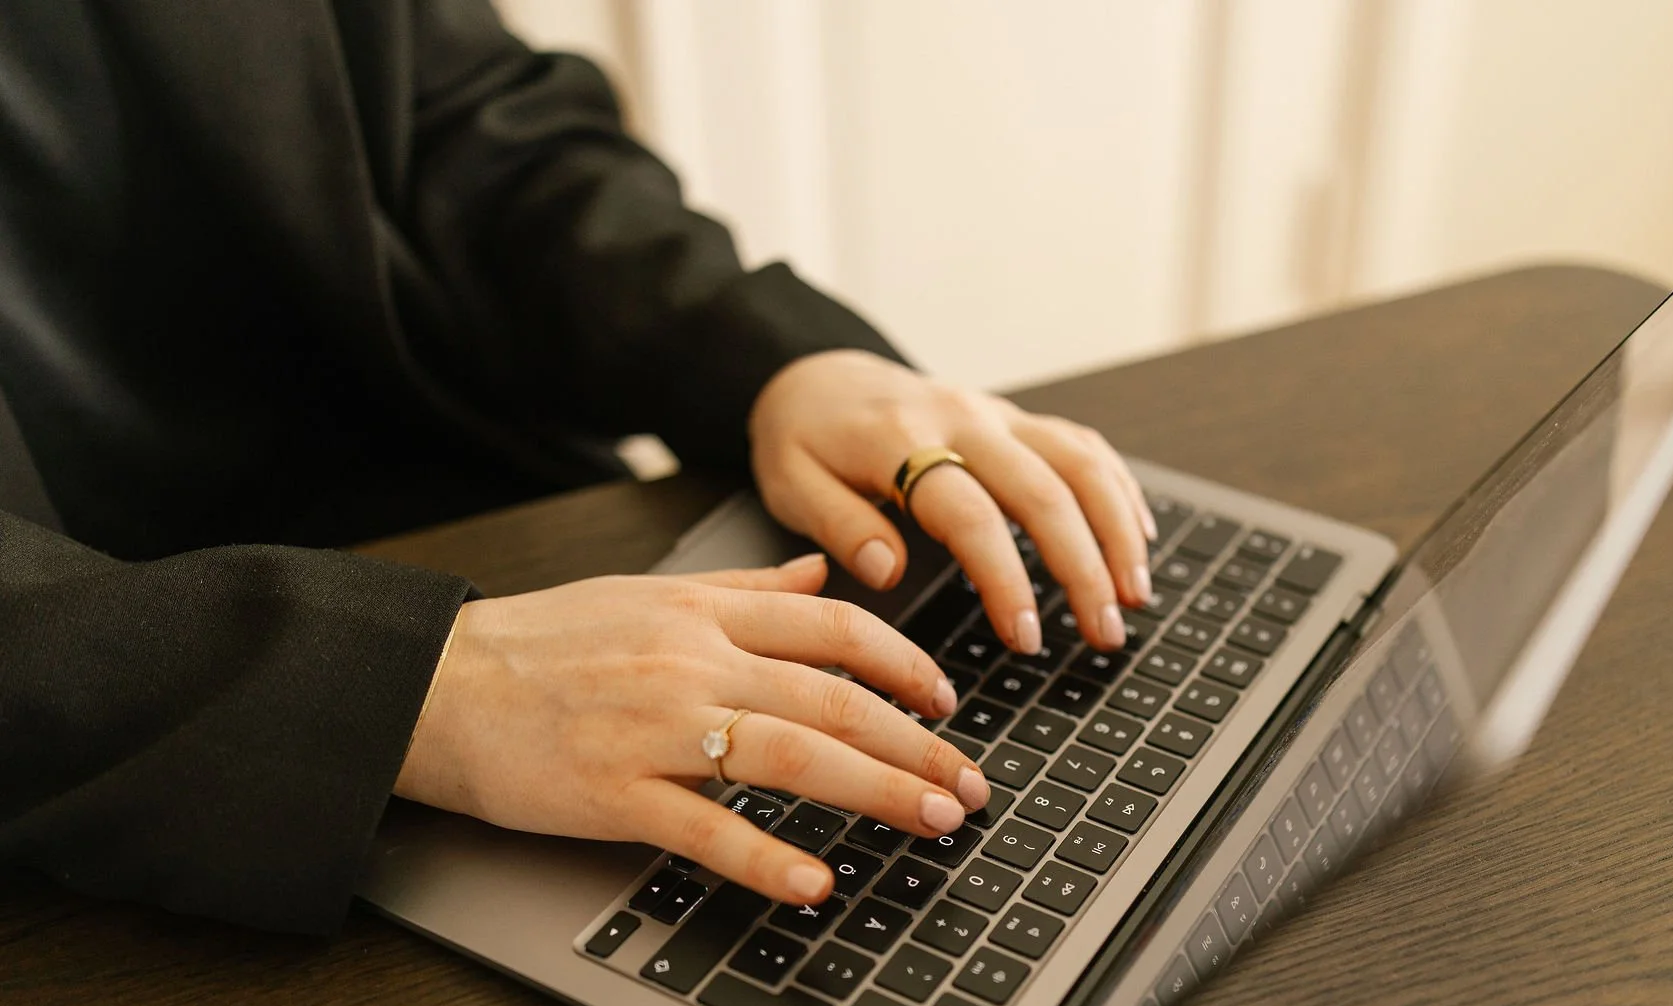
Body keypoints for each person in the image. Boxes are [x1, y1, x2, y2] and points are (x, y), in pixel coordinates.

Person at [0, 0, 1155, 934]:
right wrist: (416, 686)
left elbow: (462, 121)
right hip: (136, 809)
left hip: (521, 558)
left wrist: (761, 354)